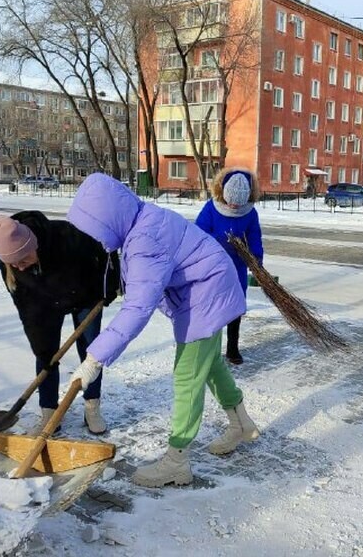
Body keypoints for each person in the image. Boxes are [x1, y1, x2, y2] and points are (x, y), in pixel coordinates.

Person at [66, 173, 259, 488]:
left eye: (96, 229)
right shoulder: (144, 219)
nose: (97, 239)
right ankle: (242, 423)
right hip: (210, 285)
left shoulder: (143, 241)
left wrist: (94, 359)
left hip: (204, 296)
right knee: (208, 365)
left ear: (108, 219)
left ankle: (177, 461)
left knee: (187, 376)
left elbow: (138, 308)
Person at [0, 211, 121, 434]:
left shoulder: (67, 237)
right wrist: (42, 346)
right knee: (45, 356)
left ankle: (92, 408)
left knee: (92, 353)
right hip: (44, 304)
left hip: (84, 295)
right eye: (14, 264)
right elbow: (26, 307)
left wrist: (109, 286)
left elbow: (106, 252)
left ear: (34, 245)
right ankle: (49, 413)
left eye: (23, 260)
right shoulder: (11, 267)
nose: (20, 267)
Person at [195, 167, 264, 365]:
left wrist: (257, 262)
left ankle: (233, 349)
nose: (234, 206)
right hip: (213, 268)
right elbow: (198, 234)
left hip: (237, 267)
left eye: (238, 203)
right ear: (223, 193)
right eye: (231, 201)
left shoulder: (250, 214)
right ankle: (211, 349)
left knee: (235, 309)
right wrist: (217, 242)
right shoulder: (211, 208)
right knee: (213, 307)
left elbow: (254, 238)